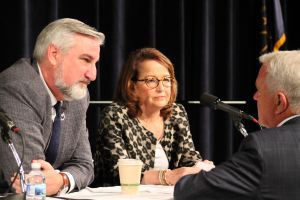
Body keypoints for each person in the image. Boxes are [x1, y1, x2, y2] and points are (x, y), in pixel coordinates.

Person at [174, 50, 300, 200]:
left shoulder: (264, 148)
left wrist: (176, 177)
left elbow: (191, 191)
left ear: (279, 102)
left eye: (259, 90)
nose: (255, 97)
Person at [0, 18, 105, 196]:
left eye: (95, 63)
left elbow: (86, 166)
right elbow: (28, 177)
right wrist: (57, 180)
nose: (93, 75)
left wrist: (62, 180)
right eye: (86, 60)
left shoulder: (77, 96)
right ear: (54, 54)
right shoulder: (17, 87)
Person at [92, 47, 214, 187]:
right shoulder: (115, 115)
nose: (161, 88)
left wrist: (200, 167)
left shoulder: (177, 113)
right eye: (151, 80)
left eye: (166, 80)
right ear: (132, 86)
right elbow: (119, 173)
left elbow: (189, 159)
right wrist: (169, 176)